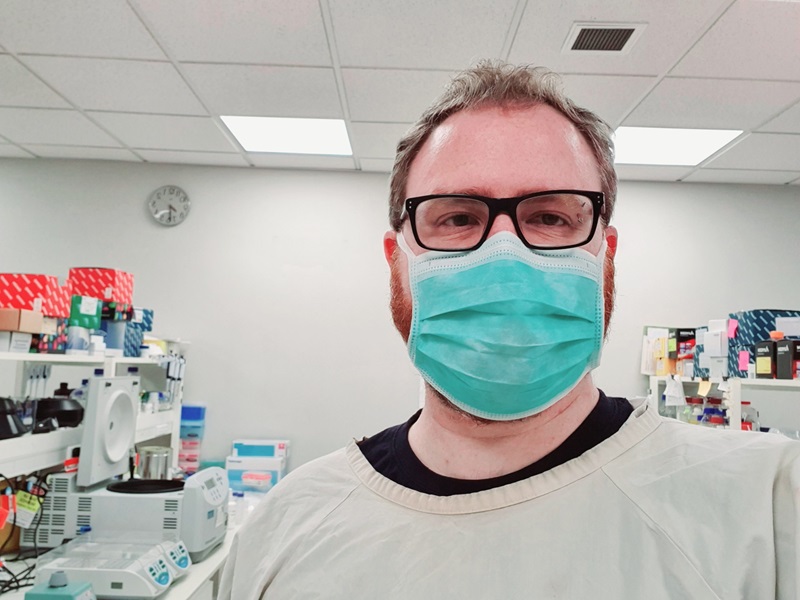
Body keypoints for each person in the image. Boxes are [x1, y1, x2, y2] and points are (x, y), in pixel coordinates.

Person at [219, 60, 800, 599]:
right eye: (457, 217)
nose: (504, 253)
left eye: (550, 216)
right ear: (397, 258)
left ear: (606, 253)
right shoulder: (283, 529)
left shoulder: (765, 505)